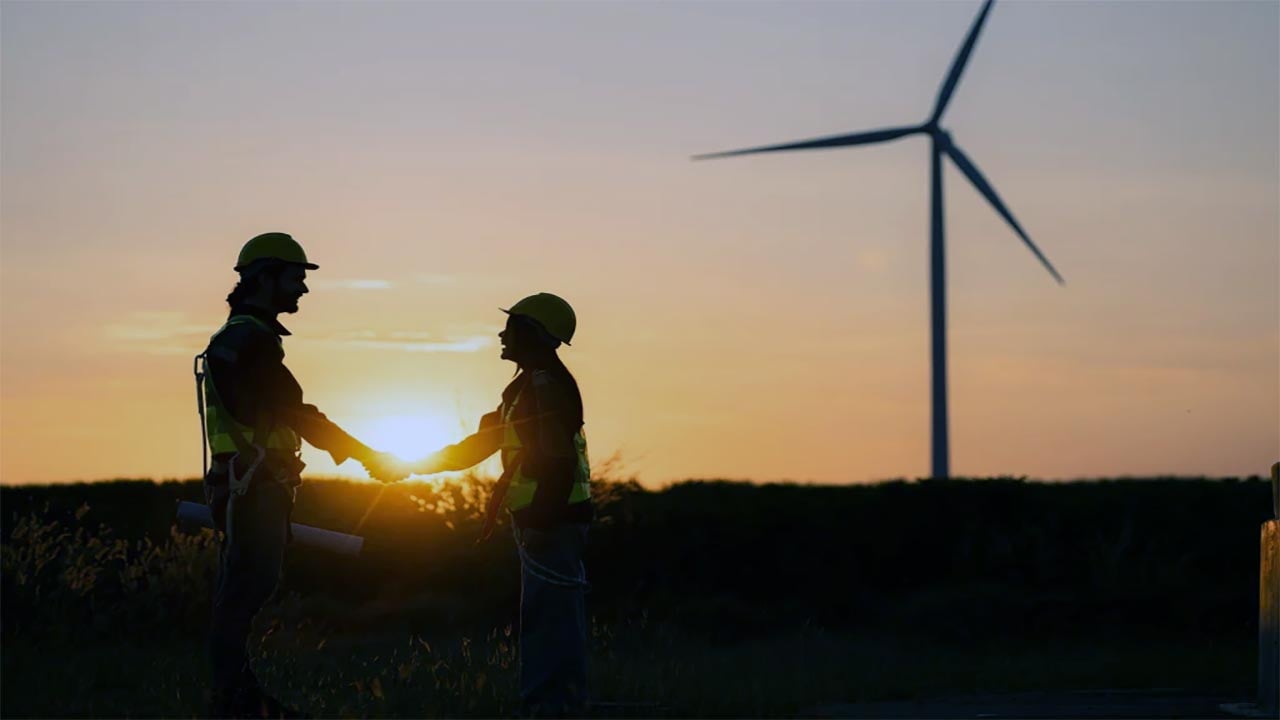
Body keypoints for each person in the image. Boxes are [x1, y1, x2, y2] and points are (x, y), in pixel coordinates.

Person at [197, 231, 404, 718]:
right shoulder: (249, 340)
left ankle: (239, 697)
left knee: (244, 589)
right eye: (295, 278)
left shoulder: (243, 337)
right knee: (246, 589)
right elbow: (298, 414)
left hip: (247, 481)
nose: (303, 290)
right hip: (254, 484)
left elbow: (282, 411)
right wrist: (365, 454)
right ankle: (234, 702)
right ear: (266, 277)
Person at [412, 293, 593, 717]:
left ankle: (550, 708)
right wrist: (411, 466)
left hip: (552, 522)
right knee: (551, 615)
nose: (501, 333)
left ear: (531, 332)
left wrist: (542, 520)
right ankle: (555, 704)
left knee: (550, 618)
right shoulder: (526, 386)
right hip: (548, 520)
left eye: (510, 325)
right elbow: (483, 443)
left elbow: (557, 460)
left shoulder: (544, 386)